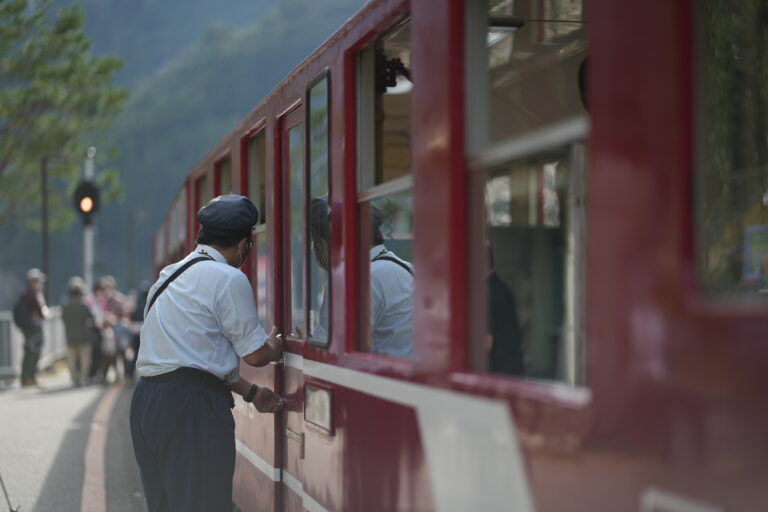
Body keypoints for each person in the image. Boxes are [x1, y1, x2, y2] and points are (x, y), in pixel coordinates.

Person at [130, 194, 285, 512]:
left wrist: (252, 392)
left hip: (146, 402)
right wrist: (274, 347)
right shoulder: (229, 278)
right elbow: (255, 355)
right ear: (243, 245)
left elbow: (191, 359)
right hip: (191, 411)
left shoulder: (169, 276)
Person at [309, 196, 413, 357]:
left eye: (314, 244)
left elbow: (328, 351)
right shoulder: (408, 268)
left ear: (325, 243)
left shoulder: (350, 279)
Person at [61, 276, 96, 387]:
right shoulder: (84, 306)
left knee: (71, 359)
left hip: (70, 336)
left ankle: (74, 379)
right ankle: (83, 378)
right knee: (85, 359)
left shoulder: (65, 306)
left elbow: (63, 319)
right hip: (84, 336)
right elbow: (91, 318)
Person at [17, 268, 49, 387]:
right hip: (32, 328)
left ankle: (29, 377)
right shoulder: (30, 294)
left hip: (29, 328)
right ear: (32, 282)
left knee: (30, 351)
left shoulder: (26, 293)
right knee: (32, 352)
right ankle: (28, 378)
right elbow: (40, 311)